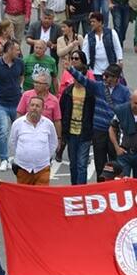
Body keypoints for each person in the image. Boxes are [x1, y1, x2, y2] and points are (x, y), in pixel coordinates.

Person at [69, 63, 130, 181]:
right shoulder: (99, 87)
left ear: (116, 78)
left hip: (115, 132)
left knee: (115, 163)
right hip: (99, 131)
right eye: (104, 75)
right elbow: (83, 80)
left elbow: (128, 111)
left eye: (108, 76)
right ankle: (100, 187)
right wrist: (70, 69)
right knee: (100, 163)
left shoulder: (124, 92)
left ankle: (113, 187)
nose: (105, 78)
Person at [98, 161, 135, 275]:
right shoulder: (99, 192)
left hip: (125, 240)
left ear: (120, 177)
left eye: (109, 178)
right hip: (106, 240)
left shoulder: (131, 192)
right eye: (104, 178)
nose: (105, 182)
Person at [0, 39, 24, 171]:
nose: (19, 52)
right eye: (16, 49)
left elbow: (20, 77)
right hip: (1, 103)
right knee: (3, 131)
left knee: (21, 131)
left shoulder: (20, 63)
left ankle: (20, 157)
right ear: (9, 50)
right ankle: (4, 159)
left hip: (17, 103)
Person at [60, 56, 95, 185]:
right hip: (71, 133)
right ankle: (74, 189)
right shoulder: (68, 92)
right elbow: (62, 111)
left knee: (82, 164)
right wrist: (63, 133)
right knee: (73, 164)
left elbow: (93, 113)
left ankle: (81, 190)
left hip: (84, 133)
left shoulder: (90, 94)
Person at [10, 95, 58, 185]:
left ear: (43, 109)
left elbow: (53, 143)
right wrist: (22, 155)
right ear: (28, 107)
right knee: (24, 196)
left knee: (41, 197)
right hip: (23, 168)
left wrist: (45, 157)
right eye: (32, 105)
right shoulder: (18, 123)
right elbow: (13, 142)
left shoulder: (49, 124)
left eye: (37, 106)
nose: (34, 108)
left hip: (42, 168)